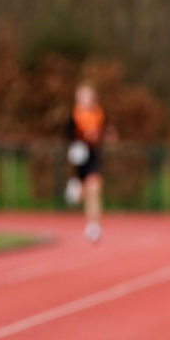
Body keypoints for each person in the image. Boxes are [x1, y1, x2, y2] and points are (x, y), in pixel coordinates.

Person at [65, 82, 106, 243]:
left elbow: (103, 132)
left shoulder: (99, 114)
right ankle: (74, 187)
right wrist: (76, 146)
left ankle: (93, 225)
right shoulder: (74, 116)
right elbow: (67, 136)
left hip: (93, 156)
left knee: (94, 188)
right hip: (79, 157)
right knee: (82, 193)